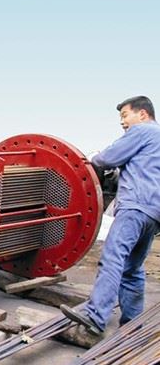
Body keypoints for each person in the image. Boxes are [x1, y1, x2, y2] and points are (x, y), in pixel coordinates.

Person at [62, 96, 160, 334]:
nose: (123, 122)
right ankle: (132, 323)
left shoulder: (143, 131)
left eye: (125, 116)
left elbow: (107, 158)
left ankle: (95, 316)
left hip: (134, 206)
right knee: (132, 267)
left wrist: (91, 161)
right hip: (153, 213)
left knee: (113, 258)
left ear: (143, 114)